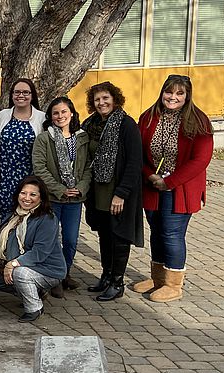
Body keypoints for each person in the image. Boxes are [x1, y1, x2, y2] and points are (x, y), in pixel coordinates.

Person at [136, 74, 213, 303]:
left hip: (179, 188)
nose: (173, 97)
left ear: (187, 96)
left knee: (172, 234)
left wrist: (168, 182)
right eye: (169, 92)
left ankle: (173, 284)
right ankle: (158, 278)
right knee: (157, 231)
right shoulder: (149, 117)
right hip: (152, 185)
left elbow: (201, 160)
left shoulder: (199, 121)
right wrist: (149, 175)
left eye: (179, 93)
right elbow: (137, 151)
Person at [81, 82, 144, 302]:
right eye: (97, 99)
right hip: (97, 190)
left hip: (118, 191)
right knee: (105, 234)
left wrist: (122, 193)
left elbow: (135, 162)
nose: (102, 103)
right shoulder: (89, 125)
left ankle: (117, 282)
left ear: (114, 99)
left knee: (119, 236)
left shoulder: (126, 124)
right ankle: (106, 275)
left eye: (106, 98)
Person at [32, 97, 92, 298]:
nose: (60, 116)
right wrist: (59, 189)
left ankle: (65, 272)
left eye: (64, 112)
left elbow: (88, 168)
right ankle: (54, 277)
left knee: (71, 239)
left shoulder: (83, 138)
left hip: (75, 200)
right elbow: (39, 167)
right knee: (51, 239)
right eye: (56, 113)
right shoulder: (44, 138)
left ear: (72, 114)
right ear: (50, 116)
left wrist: (80, 187)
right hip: (53, 198)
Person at [0, 176, 66, 322]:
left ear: (41, 198)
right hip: (22, 264)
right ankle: (35, 291)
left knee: (19, 273)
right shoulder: (13, 215)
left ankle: (34, 307)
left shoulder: (48, 218)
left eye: (33, 194)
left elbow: (39, 253)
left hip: (48, 269)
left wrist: (13, 263)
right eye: (23, 193)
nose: (27, 198)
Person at [0, 78, 45, 221]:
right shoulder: (2, 116)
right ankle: (5, 244)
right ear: (11, 95)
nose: (21, 95)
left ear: (32, 95)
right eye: (17, 92)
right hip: (4, 180)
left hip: (29, 180)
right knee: (6, 220)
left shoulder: (41, 118)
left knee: (28, 220)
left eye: (25, 92)